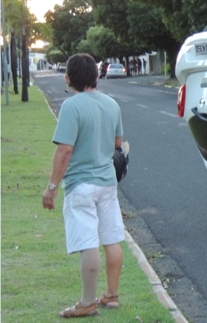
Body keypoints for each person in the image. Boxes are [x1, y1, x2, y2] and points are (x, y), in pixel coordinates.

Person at [42, 53, 125, 318]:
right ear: (97, 75)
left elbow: (64, 150)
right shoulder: (112, 104)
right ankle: (111, 295)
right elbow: (117, 143)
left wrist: (52, 187)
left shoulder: (72, 106)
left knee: (88, 243)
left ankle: (88, 302)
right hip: (108, 183)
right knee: (111, 239)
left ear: (68, 78)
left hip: (81, 185)